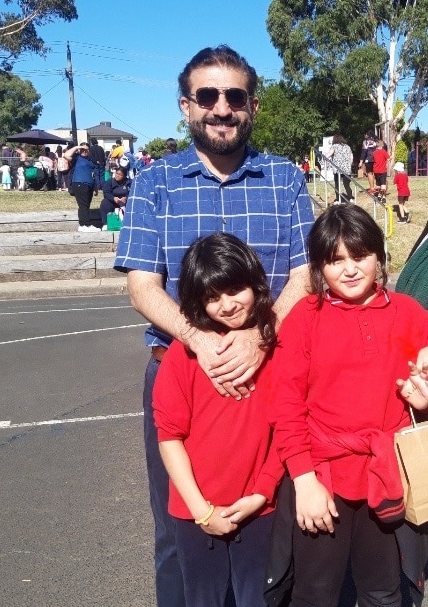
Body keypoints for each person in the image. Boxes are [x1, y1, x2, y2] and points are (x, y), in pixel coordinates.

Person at [114, 44, 314, 607]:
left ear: (252, 104)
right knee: (179, 531)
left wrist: (256, 336)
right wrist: (202, 342)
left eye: (234, 96)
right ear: (186, 106)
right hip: (180, 375)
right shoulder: (156, 184)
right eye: (208, 96)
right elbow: (141, 286)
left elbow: (305, 274)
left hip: (270, 374)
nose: (221, 108)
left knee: (272, 521)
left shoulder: (284, 179)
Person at [267, 204, 428, 607]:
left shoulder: (408, 314)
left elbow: (420, 379)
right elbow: (286, 406)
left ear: (379, 256)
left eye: (360, 256)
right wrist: (303, 480)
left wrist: (424, 402)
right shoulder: (306, 317)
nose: (350, 269)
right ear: (320, 266)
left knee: (384, 590)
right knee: (316, 592)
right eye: (335, 260)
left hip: (386, 474)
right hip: (323, 476)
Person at [153, 232, 284, 607]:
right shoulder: (183, 357)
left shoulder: (273, 351)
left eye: (235, 290)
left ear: (255, 284)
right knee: (203, 597)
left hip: (260, 508)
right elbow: (170, 436)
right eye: (212, 297)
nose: (226, 305)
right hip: (196, 511)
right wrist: (201, 510)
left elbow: (285, 431)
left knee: (258, 597)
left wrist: (261, 493)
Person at [63, 142, 100, 232]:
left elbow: (93, 173)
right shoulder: (77, 158)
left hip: (89, 184)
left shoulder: (90, 159)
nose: (84, 151)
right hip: (79, 184)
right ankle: (85, 224)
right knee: (83, 205)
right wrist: (77, 147)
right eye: (82, 149)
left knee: (86, 205)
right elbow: (66, 155)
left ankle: (83, 224)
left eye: (86, 149)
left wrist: (95, 187)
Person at [326, 134, 353, 203]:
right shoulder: (348, 147)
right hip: (347, 168)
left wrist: (324, 157)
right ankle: (350, 198)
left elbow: (329, 154)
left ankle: (338, 199)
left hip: (337, 168)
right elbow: (351, 157)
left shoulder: (334, 146)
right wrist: (349, 165)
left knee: (337, 184)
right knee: (346, 184)